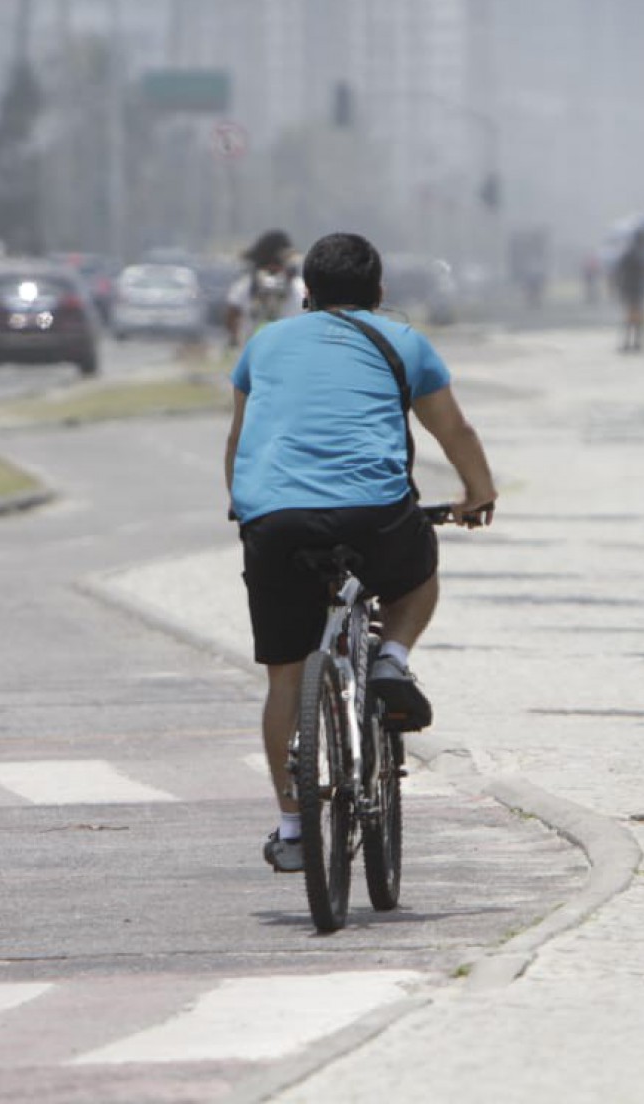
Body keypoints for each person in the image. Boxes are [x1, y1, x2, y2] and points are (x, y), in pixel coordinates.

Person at [224, 232, 497, 874]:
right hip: (373, 515)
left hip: (275, 520)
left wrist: (247, 507)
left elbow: (240, 439)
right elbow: (452, 428)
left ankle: (293, 828)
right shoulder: (403, 341)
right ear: (380, 294)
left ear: (307, 294)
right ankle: (392, 661)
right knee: (418, 568)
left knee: (285, 678)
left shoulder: (262, 343)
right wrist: (478, 491)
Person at [224, 228, 304, 347]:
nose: (272, 275)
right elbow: (232, 313)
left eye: (276, 267)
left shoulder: (300, 292)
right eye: (268, 267)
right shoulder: (245, 288)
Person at [613, 230, 644, 352]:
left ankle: (631, 343)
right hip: (635, 290)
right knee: (635, 318)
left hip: (629, 290)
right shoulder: (640, 255)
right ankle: (635, 343)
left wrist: (619, 287)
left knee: (631, 318)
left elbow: (619, 272)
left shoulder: (629, 254)